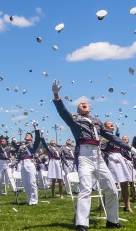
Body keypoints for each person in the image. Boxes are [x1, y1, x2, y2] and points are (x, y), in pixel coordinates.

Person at [52, 80, 128, 230]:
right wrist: (56, 95)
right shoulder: (74, 120)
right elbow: (62, 112)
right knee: (86, 189)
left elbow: (111, 137)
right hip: (84, 156)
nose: (83, 104)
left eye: (86, 103)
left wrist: (129, 147)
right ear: (78, 109)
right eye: (80, 104)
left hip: (98, 157)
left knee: (111, 189)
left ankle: (112, 221)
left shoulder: (97, 121)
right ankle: (82, 224)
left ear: (90, 107)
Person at [101, 122, 133, 212]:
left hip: (119, 158)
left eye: (112, 124)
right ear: (105, 127)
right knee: (111, 183)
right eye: (109, 124)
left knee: (125, 183)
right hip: (111, 159)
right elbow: (102, 148)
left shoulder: (115, 137)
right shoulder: (104, 137)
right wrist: (109, 154)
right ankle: (104, 204)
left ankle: (127, 206)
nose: (112, 125)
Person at [12, 124, 43, 205]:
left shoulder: (33, 144)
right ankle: (30, 200)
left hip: (30, 162)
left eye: (28, 135)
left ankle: (34, 200)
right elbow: (17, 157)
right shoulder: (21, 146)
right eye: (26, 135)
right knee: (25, 183)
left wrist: (36, 129)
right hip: (23, 163)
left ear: (31, 138)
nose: (26, 135)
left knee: (32, 182)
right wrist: (11, 165)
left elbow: (37, 138)